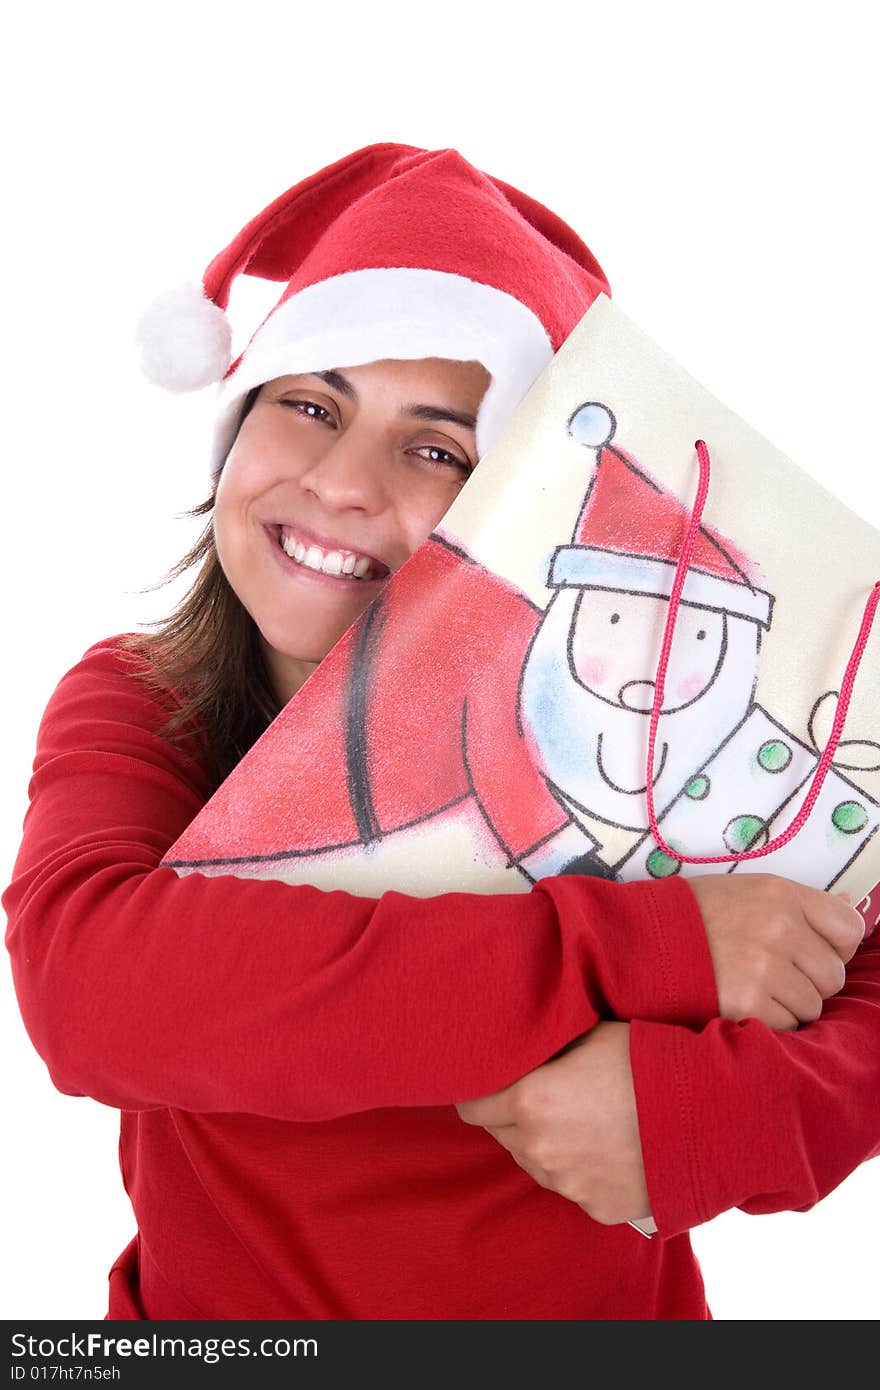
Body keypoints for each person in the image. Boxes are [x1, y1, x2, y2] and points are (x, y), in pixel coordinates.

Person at [3, 141, 877, 1322]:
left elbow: (843, 957)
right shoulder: (138, 696)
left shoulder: (635, 718)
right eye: (310, 404)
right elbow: (94, 992)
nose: (343, 482)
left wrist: (707, 1116)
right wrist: (640, 947)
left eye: (434, 448)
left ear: (516, 507)